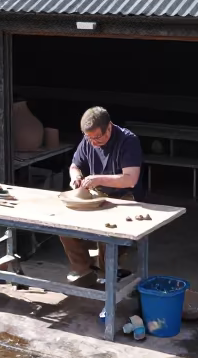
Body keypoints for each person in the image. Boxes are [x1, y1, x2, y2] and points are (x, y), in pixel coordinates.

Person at [61, 106, 143, 282]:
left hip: (124, 196)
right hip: (98, 193)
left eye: (97, 137)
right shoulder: (88, 140)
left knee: (107, 230)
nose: (93, 143)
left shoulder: (128, 141)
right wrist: (76, 177)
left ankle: (108, 272)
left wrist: (97, 179)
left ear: (109, 127)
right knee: (63, 225)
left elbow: (130, 179)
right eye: (89, 138)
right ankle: (83, 268)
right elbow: (75, 165)